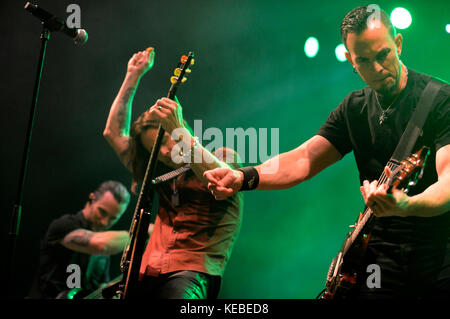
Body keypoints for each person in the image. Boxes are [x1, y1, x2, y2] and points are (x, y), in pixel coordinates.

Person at [204, 5, 450, 299]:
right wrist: (243, 178)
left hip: (438, 254)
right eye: (364, 61)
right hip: (377, 258)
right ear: (350, 60)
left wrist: (407, 205)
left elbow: (448, 181)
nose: (377, 68)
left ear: (398, 44)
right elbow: (303, 160)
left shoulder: (439, 100)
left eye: (383, 54)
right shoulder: (354, 108)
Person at [103, 47, 243, 299]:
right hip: (147, 269)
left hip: (191, 272)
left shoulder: (223, 156)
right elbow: (113, 133)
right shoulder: (159, 171)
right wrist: (133, 76)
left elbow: (223, 180)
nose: (166, 152)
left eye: (167, 139)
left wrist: (178, 129)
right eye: (157, 150)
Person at [28, 181, 130, 299]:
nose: (104, 222)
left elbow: (100, 285)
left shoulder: (106, 244)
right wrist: (140, 233)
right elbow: (100, 244)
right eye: (102, 212)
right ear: (92, 198)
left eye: (113, 218)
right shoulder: (65, 225)